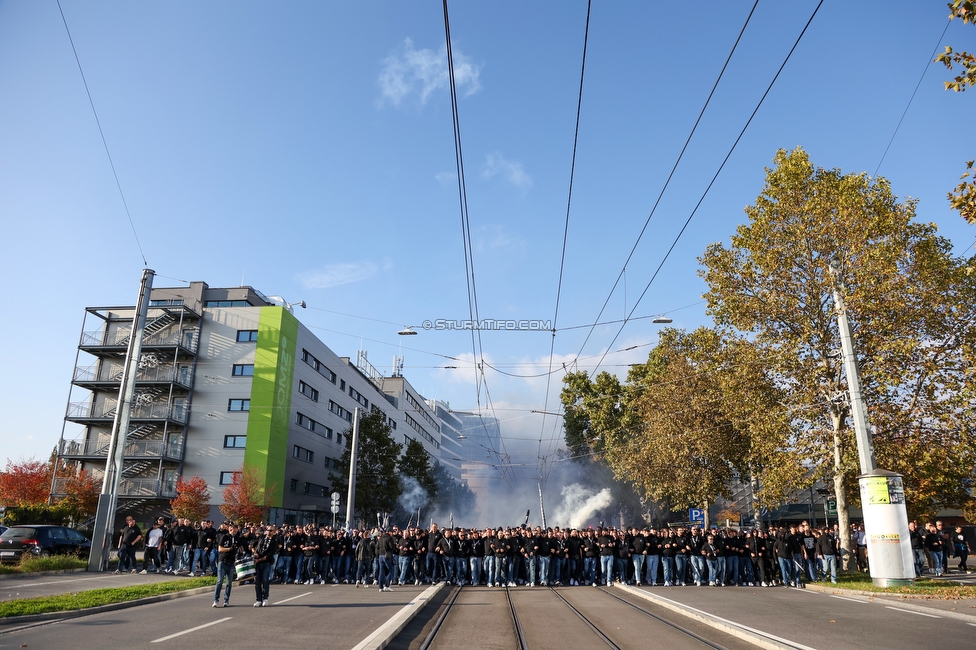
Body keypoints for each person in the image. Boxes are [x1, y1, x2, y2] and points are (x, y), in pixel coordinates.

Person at [213, 523, 240, 607]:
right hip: (223, 561)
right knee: (220, 581)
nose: (233, 531)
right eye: (232, 529)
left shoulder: (237, 538)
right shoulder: (224, 537)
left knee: (229, 583)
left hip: (231, 562)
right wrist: (229, 549)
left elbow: (239, 547)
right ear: (229, 529)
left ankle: (226, 600)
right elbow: (220, 549)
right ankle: (216, 600)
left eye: (235, 530)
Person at [251, 526, 278, 606]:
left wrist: (259, 560)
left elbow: (270, 554)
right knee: (257, 581)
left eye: (271, 530)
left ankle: (265, 598)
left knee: (265, 580)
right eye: (267, 530)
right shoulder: (261, 537)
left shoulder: (274, 541)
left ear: (274, 532)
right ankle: (258, 599)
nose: (268, 531)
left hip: (266, 562)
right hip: (257, 562)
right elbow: (253, 545)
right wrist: (255, 553)